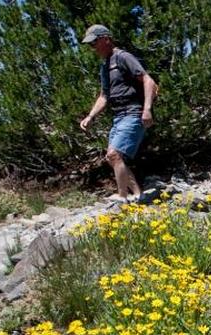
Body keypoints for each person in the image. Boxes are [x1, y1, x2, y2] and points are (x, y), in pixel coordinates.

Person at [79, 24, 158, 202]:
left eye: (94, 43)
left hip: (133, 112)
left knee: (114, 154)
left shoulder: (123, 57)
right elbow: (104, 96)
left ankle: (122, 197)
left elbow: (148, 81)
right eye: (90, 45)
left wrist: (146, 109)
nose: (92, 48)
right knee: (112, 157)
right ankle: (138, 195)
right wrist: (91, 116)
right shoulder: (105, 66)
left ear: (106, 39)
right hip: (118, 115)